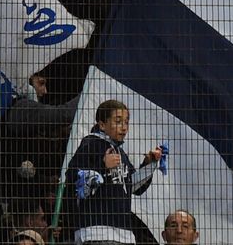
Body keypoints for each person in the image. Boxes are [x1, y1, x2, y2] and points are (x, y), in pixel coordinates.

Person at [65, 99, 164, 245]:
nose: (124, 128)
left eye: (126, 122)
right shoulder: (91, 144)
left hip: (123, 234)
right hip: (96, 232)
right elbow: (73, 179)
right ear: (102, 124)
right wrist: (102, 166)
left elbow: (133, 187)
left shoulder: (120, 152)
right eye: (118, 121)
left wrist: (149, 165)